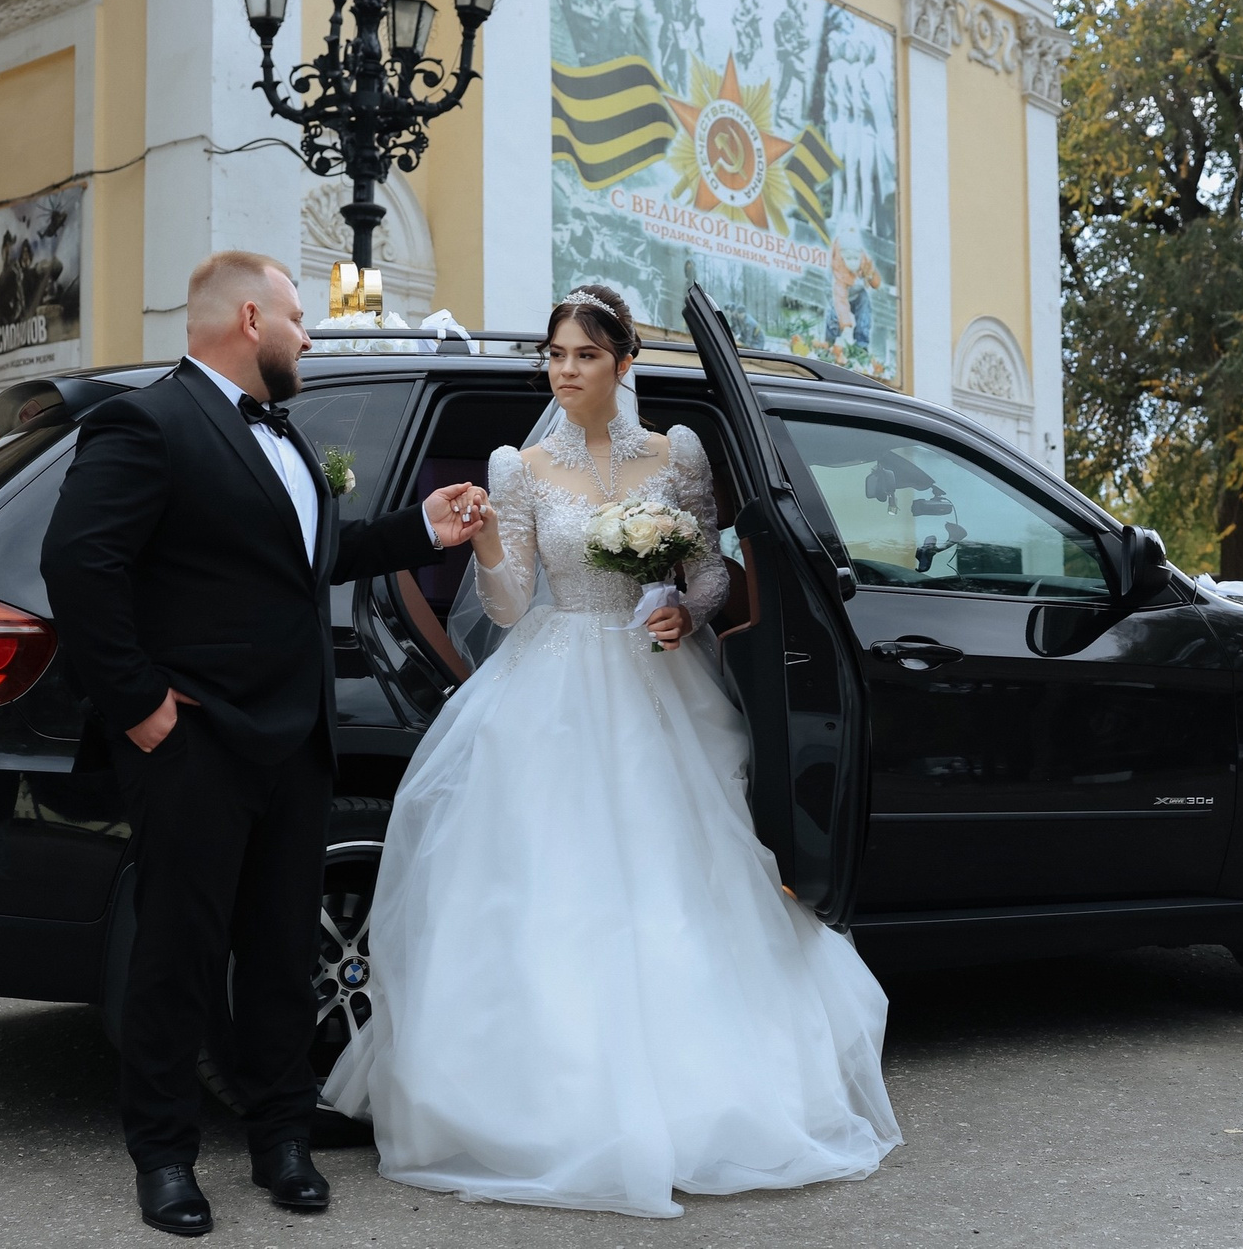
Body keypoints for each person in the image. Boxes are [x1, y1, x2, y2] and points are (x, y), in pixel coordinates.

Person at [325, 284, 901, 1218]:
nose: (565, 370)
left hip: (656, 679)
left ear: (623, 362)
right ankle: (546, 1104)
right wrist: (485, 549)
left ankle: (700, 1092)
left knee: (682, 878)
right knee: (551, 885)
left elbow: (709, 572)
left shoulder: (678, 455)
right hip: (552, 681)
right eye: (555, 355)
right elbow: (510, 606)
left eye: (585, 355)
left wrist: (686, 613)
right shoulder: (517, 467)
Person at [39, 250, 489, 1237]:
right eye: (298, 318)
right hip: (194, 742)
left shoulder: (286, 434)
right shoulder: (147, 423)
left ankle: (282, 1141)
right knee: (179, 956)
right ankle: (164, 1157)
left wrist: (421, 528)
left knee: (282, 951)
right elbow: (78, 562)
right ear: (250, 319)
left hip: (297, 740)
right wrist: (141, 704)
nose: (309, 336)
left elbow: (313, 562)